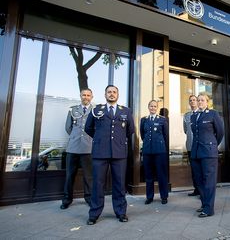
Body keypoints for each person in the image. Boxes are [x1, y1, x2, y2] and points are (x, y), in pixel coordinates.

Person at [85, 85, 135, 225]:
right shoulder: (96, 110)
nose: (112, 94)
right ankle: (94, 214)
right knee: (97, 184)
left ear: (118, 95)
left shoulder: (125, 111)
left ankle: (121, 212)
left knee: (119, 184)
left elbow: (130, 129)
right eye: (109, 92)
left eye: (114, 92)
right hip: (100, 152)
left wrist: (118, 141)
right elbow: (88, 127)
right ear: (105, 94)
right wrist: (100, 139)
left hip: (119, 153)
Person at [190, 94, 224, 217]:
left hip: (209, 152)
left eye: (202, 100)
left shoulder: (213, 114)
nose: (199, 102)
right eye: (198, 100)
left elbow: (220, 132)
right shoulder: (194, 116)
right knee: (199, 181)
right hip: (196, 152)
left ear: (207, 102)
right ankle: (205, 204)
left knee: (209, 181)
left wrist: (212, 145)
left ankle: (209, 209)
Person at [60, 88, 93, 209]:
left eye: (88, 95)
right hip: (73, 147)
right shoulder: (73, 109)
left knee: (88, 176)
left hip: (88, 148)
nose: (86, 97)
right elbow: (68, 127)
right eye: (84, 95)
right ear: (80, 96)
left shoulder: (95, 111)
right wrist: (75, 137)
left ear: (91, 97)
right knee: (69, 175)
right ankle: (67, 199)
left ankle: (89, 198)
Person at [140, 100, 169, 205]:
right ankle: (149, 197)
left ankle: (164, 196)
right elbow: (143, 135)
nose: (153, 108)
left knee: (161, 175)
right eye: (151, 106)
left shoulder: (162, 120)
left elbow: (165, 136)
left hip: (160, 151)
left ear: (157, 108)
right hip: (148, 151)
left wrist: (162, 148)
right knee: (148, 175)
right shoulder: (144, 120)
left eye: (155, 106)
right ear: (148, 107)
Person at [183, 95, 200, 196]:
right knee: (194, 170)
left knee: (201, 170)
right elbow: (186, 130)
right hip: (190, 146)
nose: (192, 102)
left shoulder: (201, 113)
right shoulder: (186, 115)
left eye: (194, 100)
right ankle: (196, 190)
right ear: (189, 103)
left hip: (200, 146)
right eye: (191, 100)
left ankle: (203, 191)